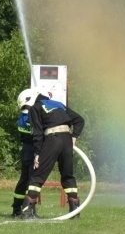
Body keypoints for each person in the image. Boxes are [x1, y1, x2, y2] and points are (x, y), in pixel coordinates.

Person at [16, 88, 85, 219]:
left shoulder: (35, 108)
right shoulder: (58, 104)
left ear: (29, 101)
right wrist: (74, 136)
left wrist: (37, 153)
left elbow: (37, 132)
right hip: (67, 140)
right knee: (68, 176)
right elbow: (79, 120)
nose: (27, 110)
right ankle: (75, 211)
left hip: (52, 138)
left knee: (37, 174)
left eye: (26, 107)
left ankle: (27, 211)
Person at [10, 90, 46, 217]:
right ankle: (29, 210)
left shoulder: (21, 118)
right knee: (32, 181)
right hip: (33, 151)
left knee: (23, 180)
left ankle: (16, 209)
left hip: (25, 150)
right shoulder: (32, 117)